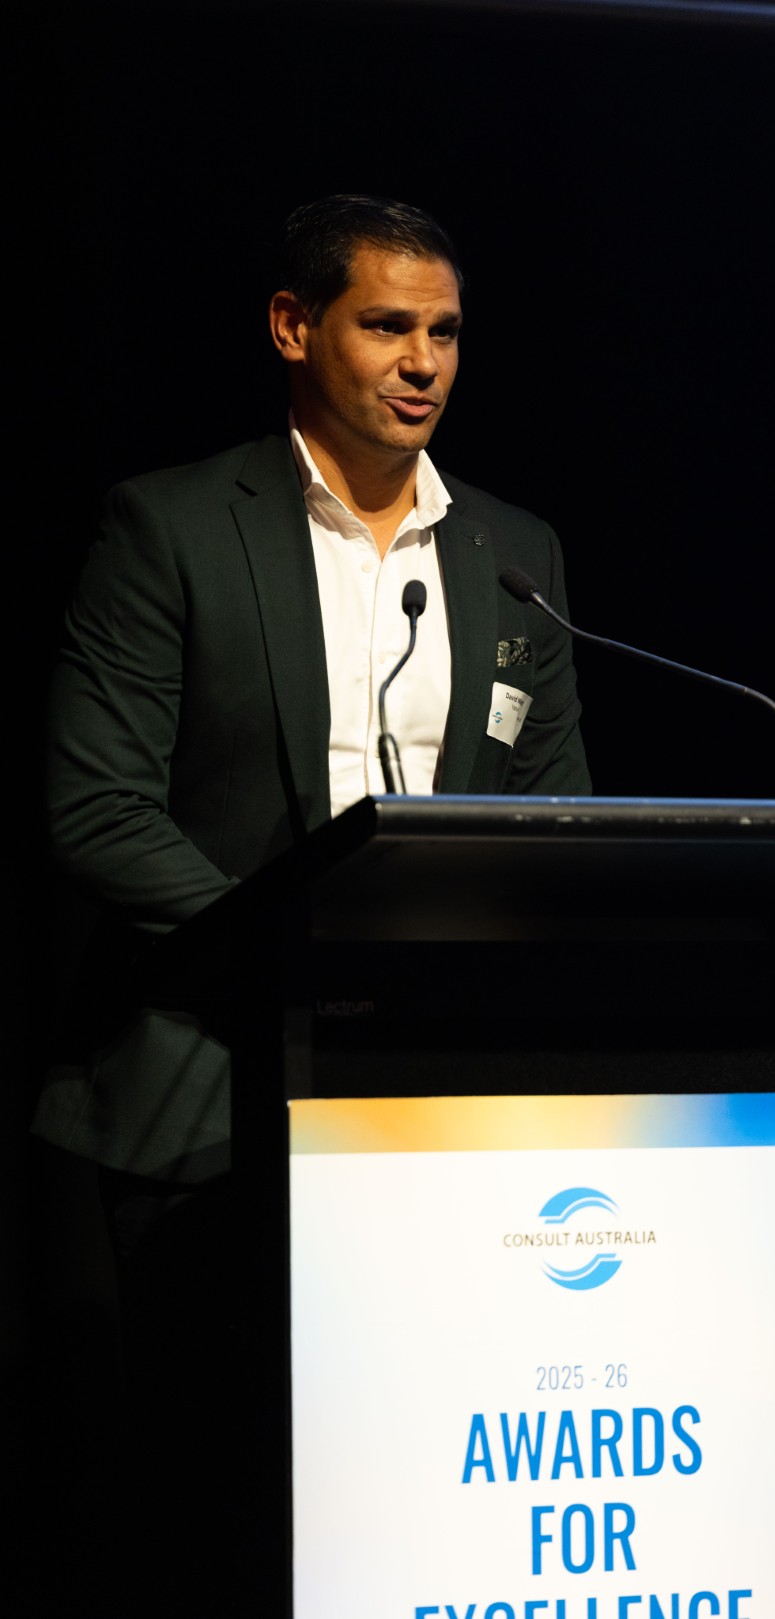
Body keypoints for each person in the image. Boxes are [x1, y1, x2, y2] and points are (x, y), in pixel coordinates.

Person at [32, 194, 590, 1617]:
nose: (423, 364)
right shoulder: (171, 526)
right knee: (218, 1511)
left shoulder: (513, 554)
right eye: (387, 326)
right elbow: (96, 809)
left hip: (431, 1104)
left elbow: (555, 821)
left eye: (445, 333)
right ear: (294, 328)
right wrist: (285, 950)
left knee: (411, 1504)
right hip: (205, 1088)